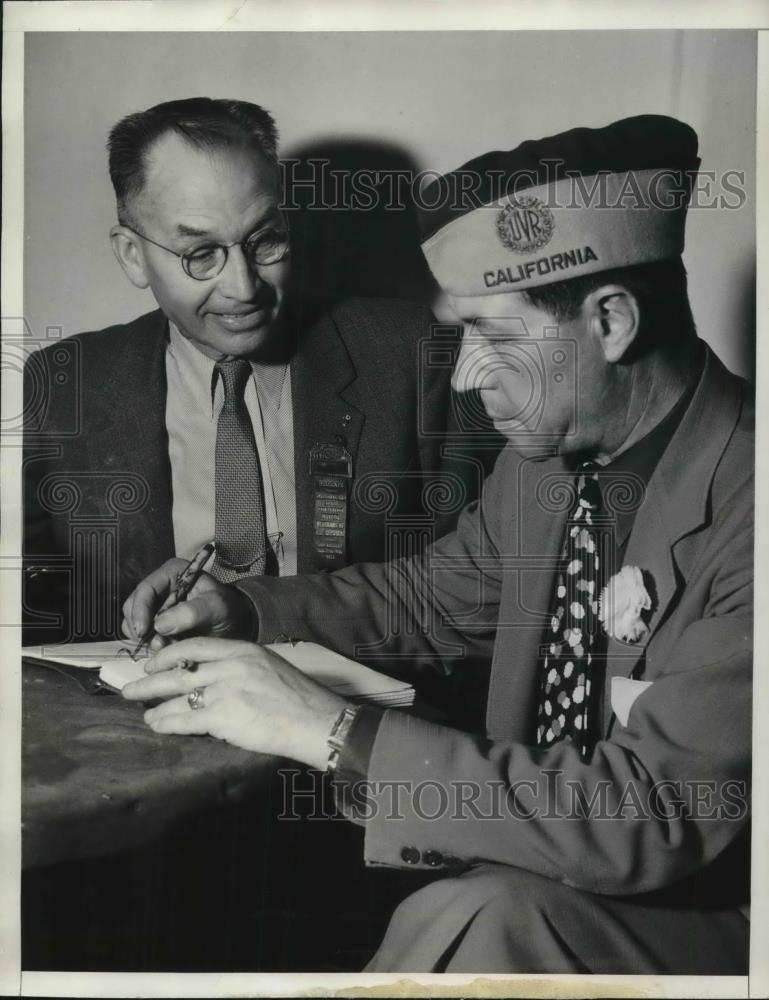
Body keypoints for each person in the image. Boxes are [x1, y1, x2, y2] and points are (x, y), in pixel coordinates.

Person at [121, 115, 753, 974]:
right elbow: (429, 598)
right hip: (542, 868)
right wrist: (241, 608)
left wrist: (337, 728)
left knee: (482, 918)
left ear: (610, 321)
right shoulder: (551, 462)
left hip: (722, 924)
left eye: (491, 336)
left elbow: (652, 818)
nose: (464, 375)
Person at [23, 97, 496, 647]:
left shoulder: (411, 355)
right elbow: (33, 616)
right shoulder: (66, 385)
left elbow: (479, 583)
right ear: (132, 256)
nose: (243, 287)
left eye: (265, 240)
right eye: (201, 254)